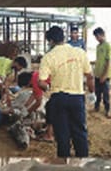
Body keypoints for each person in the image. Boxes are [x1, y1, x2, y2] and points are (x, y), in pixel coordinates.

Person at [37, 26, 95, 158]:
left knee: (62, 134)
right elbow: (90, 76)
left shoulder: (48, 57)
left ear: (50, 41)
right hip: (77, 98)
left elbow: (41, 82)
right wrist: (92, 93)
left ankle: (64, 166)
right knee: (80, 132)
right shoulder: (80, 53)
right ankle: (83, 162)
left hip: (59, 98)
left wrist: (47, 88)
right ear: (63, 37)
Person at [92, 27, 111, 119]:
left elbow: (108, 62)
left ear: (103, 35)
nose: (97, 38)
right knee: (97, 93)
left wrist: (104, 75)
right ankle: (96, 107)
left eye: (98, 36)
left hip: (105, 75)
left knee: (106, 94)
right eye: (96, 37)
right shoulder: (98, 46)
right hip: (97, 74)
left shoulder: (107, 46)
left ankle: (107, 110)